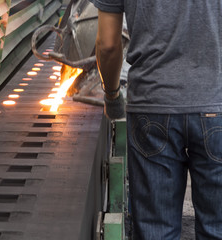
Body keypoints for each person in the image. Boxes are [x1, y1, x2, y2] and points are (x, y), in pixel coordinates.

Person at [90, 0, 222, 239]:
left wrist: (112, 97)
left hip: (152, 105)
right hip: (216, 104)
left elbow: (108, 44)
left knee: (155, 230)